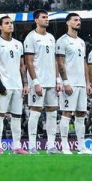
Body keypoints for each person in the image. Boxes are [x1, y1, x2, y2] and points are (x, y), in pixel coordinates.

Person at [0, 15, 25, 155]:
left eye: (11, 23)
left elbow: (22, 65)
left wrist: (25, 83)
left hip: (17, 85)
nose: (10, 25)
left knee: (17, 116)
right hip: (3, 84)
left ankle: (17, 146)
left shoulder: (18, 44)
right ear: (0, 26)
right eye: (6, 23)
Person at [24, 10, 58, 153]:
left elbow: (54, 60)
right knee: (36, 111)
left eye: (47, 17)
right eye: (43, 17)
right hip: (38, 81)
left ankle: (51, 145)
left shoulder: (51, 37)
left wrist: (58, 79)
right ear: (36, 20)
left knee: (52, 112)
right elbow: (29, 62)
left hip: (51, 81)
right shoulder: (31, 37)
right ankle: (32, 145)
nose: (46, 19)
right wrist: (35, 82)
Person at [55, 13, 88, 154]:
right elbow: (60, 63)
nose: (78, 22)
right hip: (70, 83)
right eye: (75, 20)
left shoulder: (81, 42)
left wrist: (88, 83)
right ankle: (65, 146)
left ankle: (82, 147)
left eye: (79, 20)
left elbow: (84, 63)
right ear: (68, 23)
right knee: (67, 113)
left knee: (81, 114)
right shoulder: (62, 41)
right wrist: (65, 82)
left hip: (81, 83)